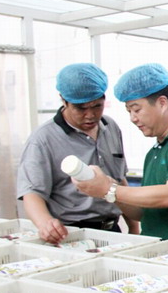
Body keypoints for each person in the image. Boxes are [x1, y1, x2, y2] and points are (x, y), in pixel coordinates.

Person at [74, 63, 168, 241]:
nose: (133, 118)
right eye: (129, 111)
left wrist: (109, 189)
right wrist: (109, 191)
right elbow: (142, 213)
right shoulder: (154, 152)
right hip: (156, 247)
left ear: (162, 103)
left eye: (136, 109)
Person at [16, 63, 137, 242]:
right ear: (64, 101)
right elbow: (32, 193)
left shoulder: (110, 127)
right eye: (81, 108)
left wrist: (133, 227)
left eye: (97, 106)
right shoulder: (43, 139)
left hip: (112, 229)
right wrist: (45, 224)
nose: (90, 115)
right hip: (71, 234)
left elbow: (119, 180)